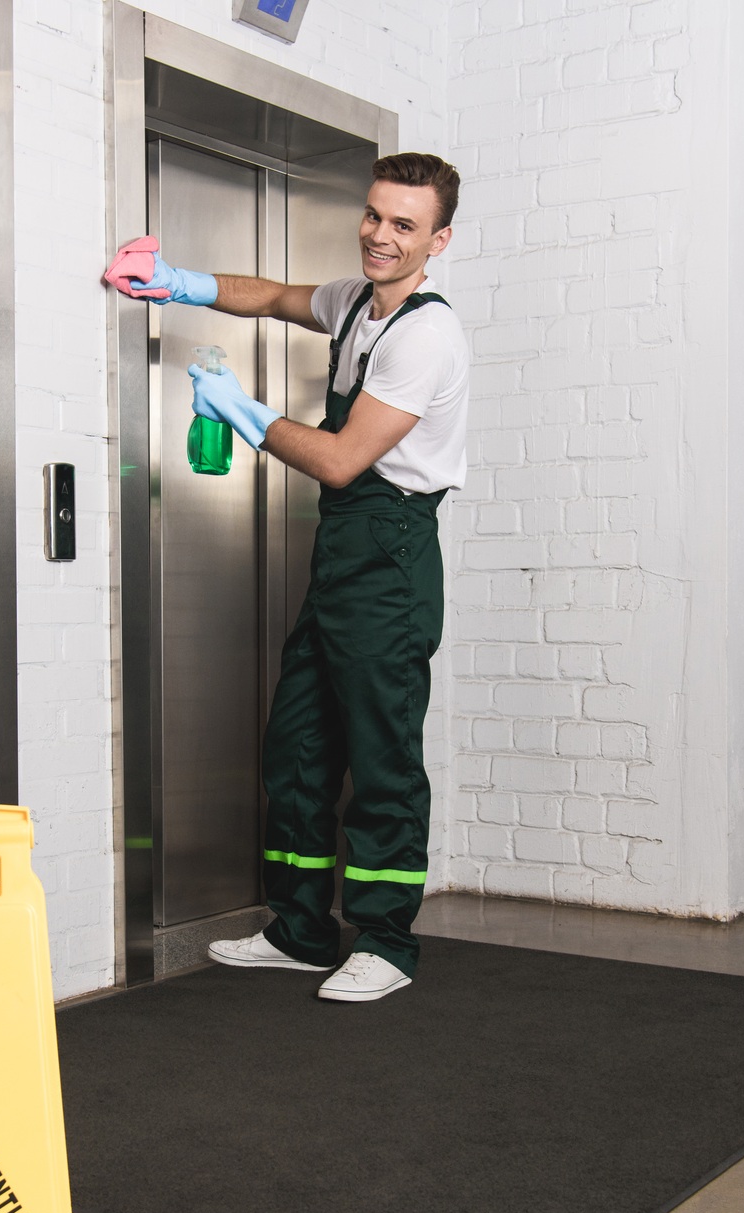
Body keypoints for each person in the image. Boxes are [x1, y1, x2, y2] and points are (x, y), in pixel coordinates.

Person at [104, 152, 468, 1003]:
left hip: (392, 558)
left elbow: (342, 462)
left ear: (438, 240)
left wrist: (248, 413)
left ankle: (384, 940)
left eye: (404, 225)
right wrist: (181, 282)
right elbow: (269, 295)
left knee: (380, 758)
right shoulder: (355, 304)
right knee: (299, 744)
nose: (381, 235)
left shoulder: (427, 335)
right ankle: (301, 929)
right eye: (376, 215)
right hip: (342, 560)